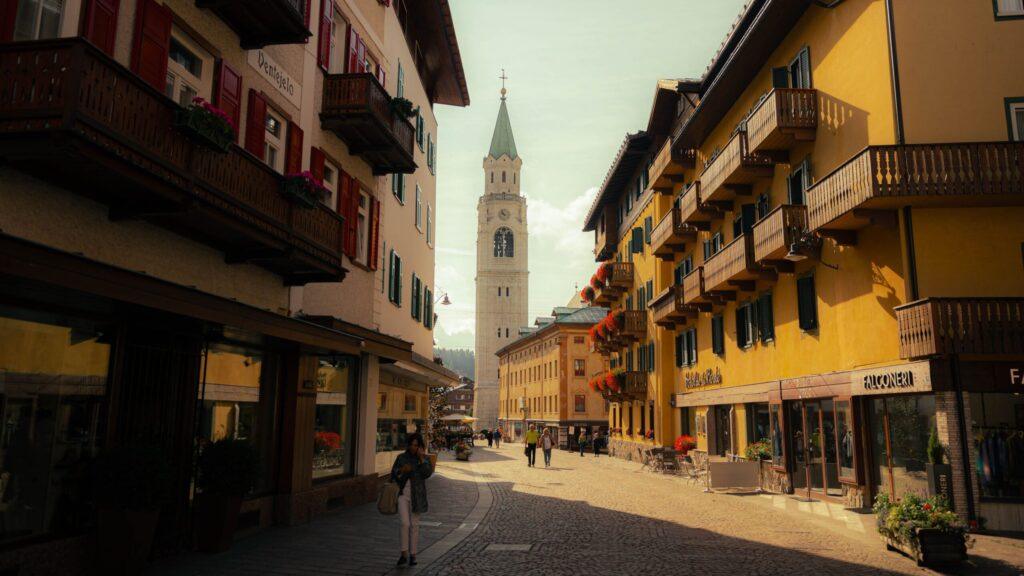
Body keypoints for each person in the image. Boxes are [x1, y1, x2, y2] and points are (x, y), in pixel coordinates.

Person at [390, 432, 434, 568]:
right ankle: (404, 553)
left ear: (420, 446)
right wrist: (402, 470)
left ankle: (413, 554)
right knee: (405, 523)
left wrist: (421, 460)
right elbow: (393, 475)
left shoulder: (423, 458)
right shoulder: (401, 457)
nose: (414, 448)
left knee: (415, 525)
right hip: (403, 493)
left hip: (417, 495)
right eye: (412, 445)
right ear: (408, 445)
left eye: (417, 445)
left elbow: (427, 474)